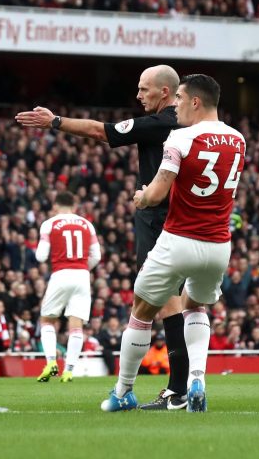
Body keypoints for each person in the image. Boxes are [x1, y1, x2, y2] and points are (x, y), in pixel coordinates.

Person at [16, 65, 191, 410]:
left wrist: (55, 122)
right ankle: (185, 384)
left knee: (156, 305)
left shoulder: (162, 123)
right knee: (177, 303)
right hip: (185, 220)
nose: (138, 96)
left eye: (144, 89)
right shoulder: (192, 126)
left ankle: (167, 389)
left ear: (165, 93)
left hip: (158, 219)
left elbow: (101, 131)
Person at [100, 74, 245, 414]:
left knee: (142, 311)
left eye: (179, 98)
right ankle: (197, 380)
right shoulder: (238, 139)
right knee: (195, 307)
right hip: (218, 245)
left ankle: (124, 391)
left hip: (179, 239)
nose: (175, 104)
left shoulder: (180, 138)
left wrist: (140, 197)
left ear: (195, 101)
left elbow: (156, 192)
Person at [34, 191, 101, 383]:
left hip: (60, 274)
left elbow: (40, 256)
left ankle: (51, 362)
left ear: (55, 205)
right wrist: (81, 268)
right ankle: (69, 370)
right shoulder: (87, 224)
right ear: (74, 205)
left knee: (47, 320)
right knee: (76, 324)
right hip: (82, 276)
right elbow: (96, 256)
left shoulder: (49, 223)